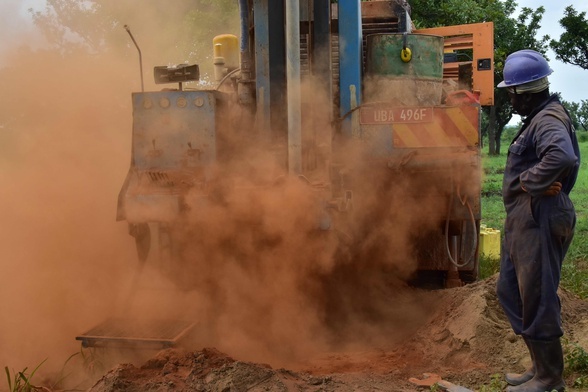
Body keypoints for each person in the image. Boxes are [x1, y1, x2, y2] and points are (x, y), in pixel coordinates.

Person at [496, 49, 580, 392]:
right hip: (526, 219)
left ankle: (549, 378)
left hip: (540, 217)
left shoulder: (547, 119)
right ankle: (538, 368)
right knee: (511, 293)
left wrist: (532, 182)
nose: (510, 100)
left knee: (538, 297)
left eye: (511, 93)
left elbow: (561, 154)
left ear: (522, 92)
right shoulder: (539, 117)